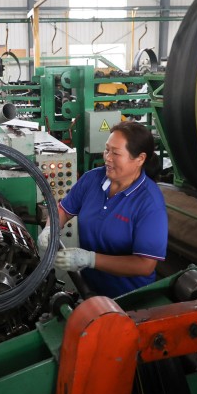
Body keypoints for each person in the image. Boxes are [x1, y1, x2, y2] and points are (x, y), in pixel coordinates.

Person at [38, 120, 167, 298]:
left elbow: (145, 265)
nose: (107, 157)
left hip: (129, 298)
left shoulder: (150, 203)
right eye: (107, 149)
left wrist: (90, 259)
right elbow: (64, 210)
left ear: (140, 159)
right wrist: (50, 228)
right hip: (90, 289)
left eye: (115, 153)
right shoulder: (92, 179)